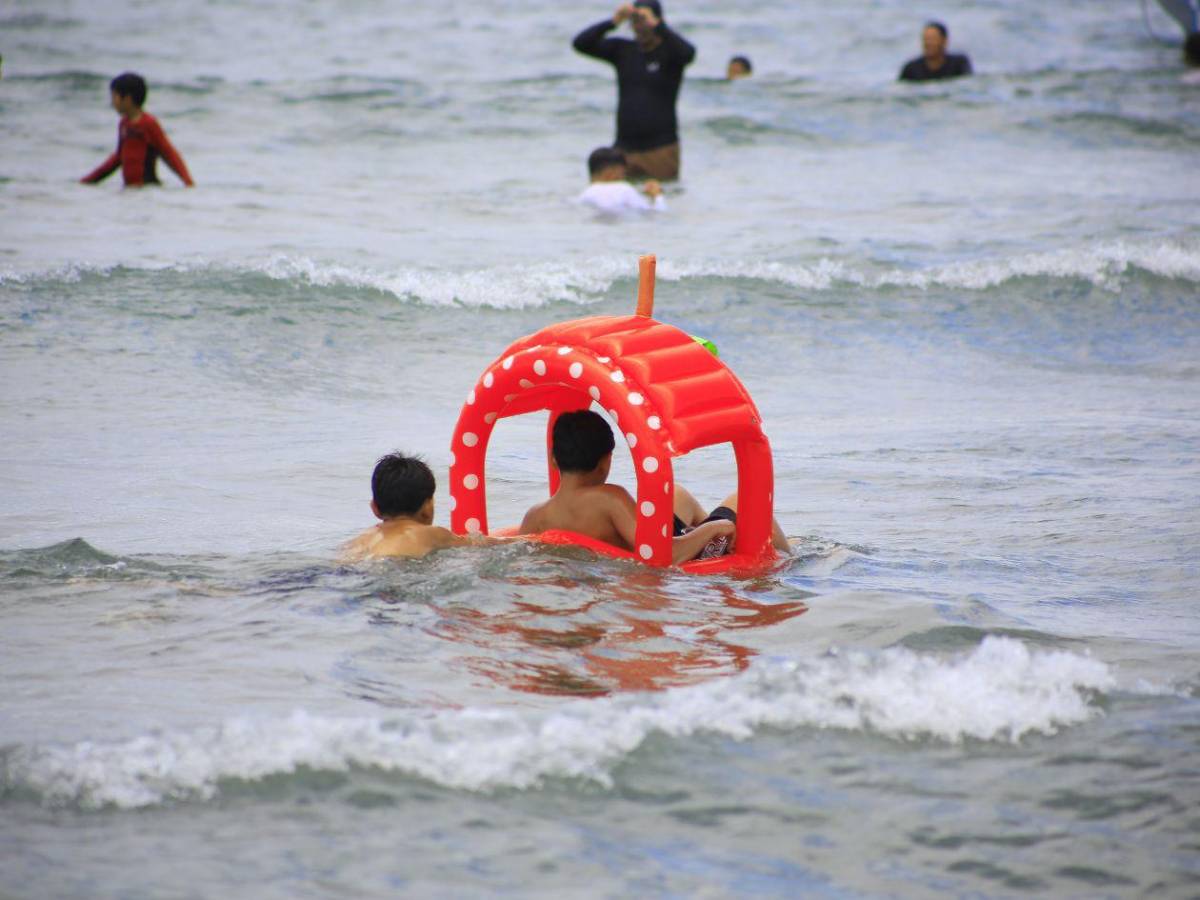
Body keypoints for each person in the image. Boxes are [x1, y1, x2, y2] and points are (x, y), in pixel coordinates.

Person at [520, 411, 790, 563]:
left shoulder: (535, 516)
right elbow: (664, 556)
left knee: (677, 495)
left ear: (554, 459)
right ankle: (789, 558)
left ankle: (710, 537)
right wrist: (714, 529)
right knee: (742, 501)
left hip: (642, 539)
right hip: (678, 555)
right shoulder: (609, 499)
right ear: (606, 462)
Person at [573, 1, 695, 181]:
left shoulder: (671, 52)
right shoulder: (624, 50)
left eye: (643, 20)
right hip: (623, 148)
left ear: (658, 20)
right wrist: (614, 21)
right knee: (618, 201)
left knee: (660, 201)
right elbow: (581, 43)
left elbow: (688, 54)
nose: (639, 26)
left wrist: (658, 25)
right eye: (635, 21)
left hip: (661, 148)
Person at [343, 452, 489, 561]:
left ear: (374, 508)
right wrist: (512, 539)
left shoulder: (360, 540)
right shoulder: (433, 534)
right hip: (396, 572)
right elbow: (478, 543)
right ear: (427, 507)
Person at [81, 72, 194, 188]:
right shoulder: (124, 124)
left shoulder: (149, 123)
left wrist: (188, 182)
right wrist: (89, 180)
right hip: (130, 191)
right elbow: (118, 158)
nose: (112, 102)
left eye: (115, 97)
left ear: (128, 99)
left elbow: (168, 153)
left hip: (148, 190)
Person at [578, 146, 666, 215]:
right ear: (611, 172)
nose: (624, 177)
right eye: (623, 173)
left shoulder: (586, 194)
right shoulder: (623, 188)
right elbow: (659, 214)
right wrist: (657, 195)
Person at [898, 21, 972, 82]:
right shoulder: (911, 69)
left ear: (944, 41)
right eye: (926, 39)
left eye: (933, 39)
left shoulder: (959, 64)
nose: (928, 43)